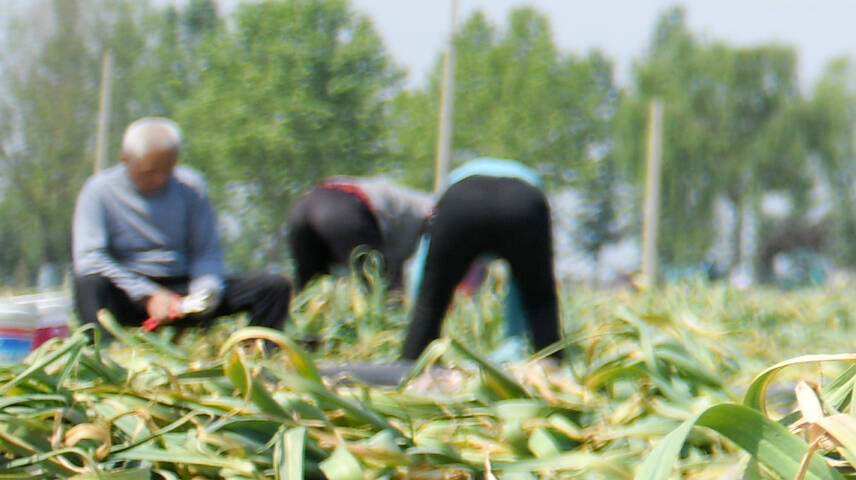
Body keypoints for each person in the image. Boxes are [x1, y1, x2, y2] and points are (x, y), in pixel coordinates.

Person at [71, 119, 288, 332]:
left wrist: (205, 292)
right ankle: (103, 357)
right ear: (125, 158)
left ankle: (254, 354)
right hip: (129, 291)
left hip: (184, 289)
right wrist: (148, 295)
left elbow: (206, 251)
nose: (160, 179)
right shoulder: (98, 191)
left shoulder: (191, 186)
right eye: (150, 171)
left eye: (168, 169)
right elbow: (90, 259)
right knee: (88, 283)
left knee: (274, 287)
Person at [395, 150, 564, 363]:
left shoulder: (456, 180)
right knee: (540, 300)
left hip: (462, 200)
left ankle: (411, 368)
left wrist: (421, 300)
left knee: (433, 300)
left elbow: (424, 267)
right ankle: (552, 369)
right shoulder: (530, 181)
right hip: (523, 201)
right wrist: (513, 339)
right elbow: (523, 287)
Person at [283, 174, 435, 309]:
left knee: (309, 298)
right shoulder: (433, 210)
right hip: (342, 206)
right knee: (383, 293)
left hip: (303, 207)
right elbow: (392, 274)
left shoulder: (409, 206)